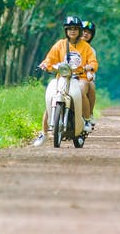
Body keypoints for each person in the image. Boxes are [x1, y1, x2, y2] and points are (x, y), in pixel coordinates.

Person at [33, 15, 98, 146]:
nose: (72, 31)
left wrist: (89, 67)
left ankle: (85, 120)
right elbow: (50, 59)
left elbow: (93, 61)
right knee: (51, 100)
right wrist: (45, 64)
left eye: (75, 29)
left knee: (81, 91)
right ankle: (44, 133)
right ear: (65, 31)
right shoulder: (60, 44)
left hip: (79, 77)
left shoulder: (86, 47)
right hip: (62, 78)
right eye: (69, 29)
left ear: (79, 30)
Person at [80, 19, 99, 122]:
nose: (85, 34)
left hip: (84, 77)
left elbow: (93, 64)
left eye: (88, 32)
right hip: (68, 76)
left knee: (91, 85)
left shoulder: (91, 50)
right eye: (83, 31)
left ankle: (89, 114)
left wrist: (89, 72)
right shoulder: (68, 45)